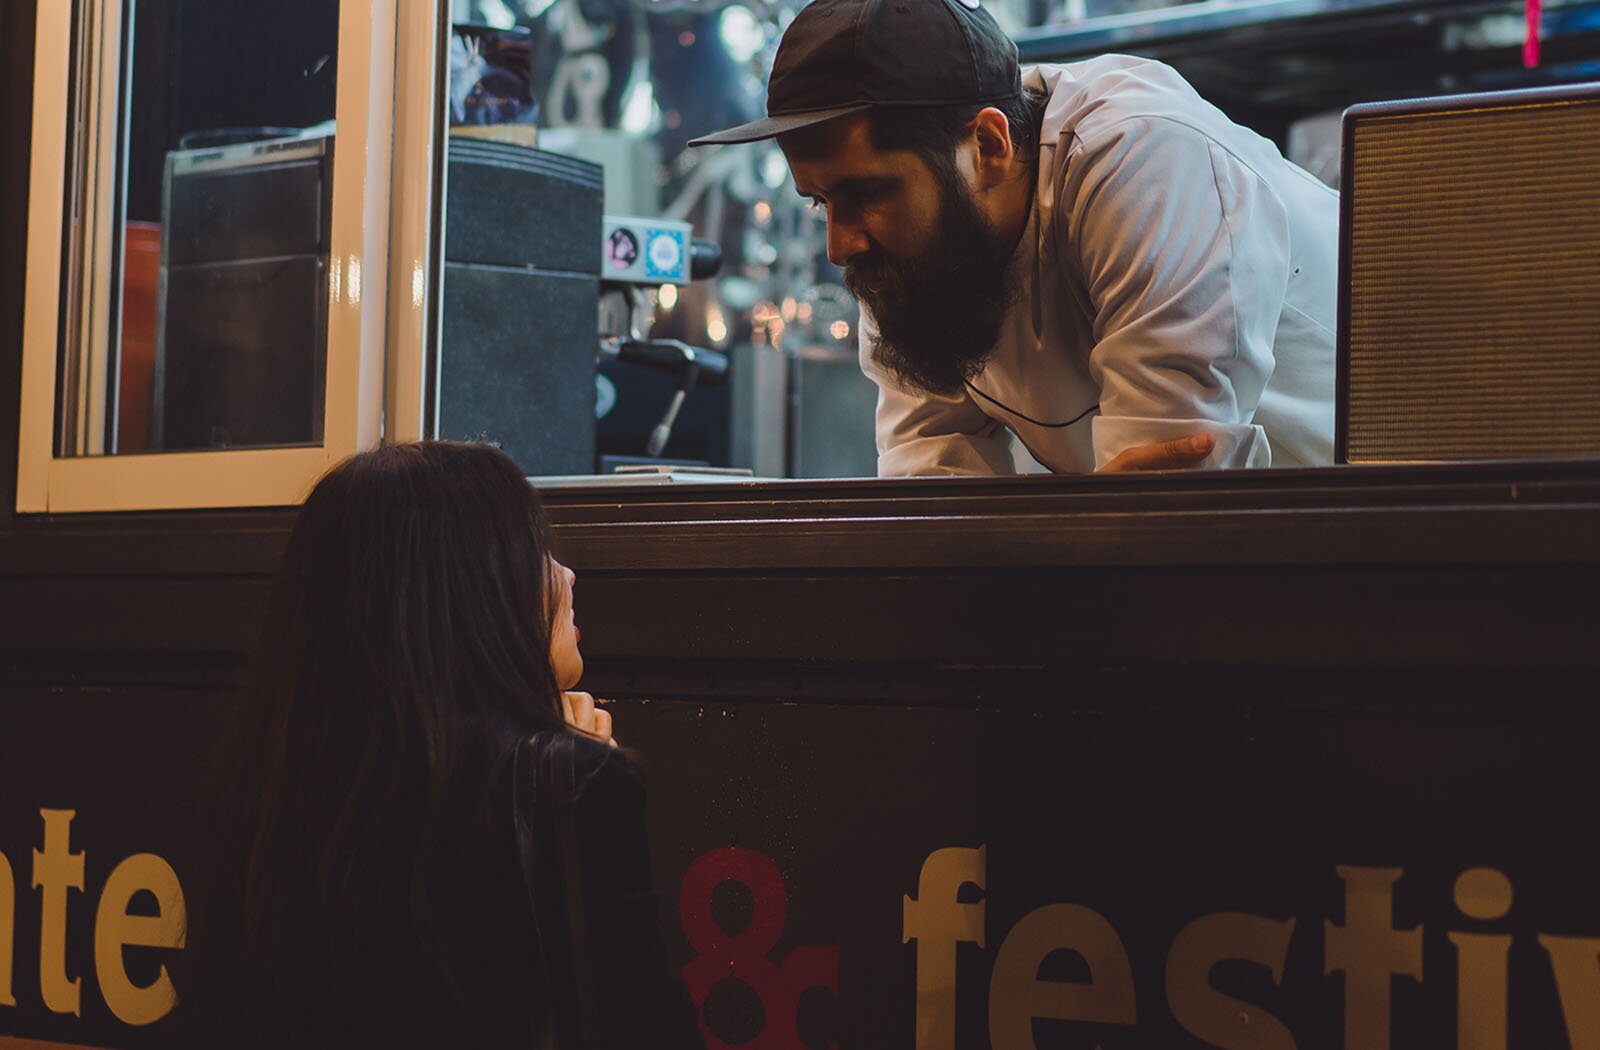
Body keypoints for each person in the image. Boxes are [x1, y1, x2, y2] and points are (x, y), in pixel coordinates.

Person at [173, 442, 704, 1049]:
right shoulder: (567, 787)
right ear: (470, 591)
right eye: (534, 550)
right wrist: (569, 780)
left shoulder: (278, 785)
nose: (566, 574)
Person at [690, 0, 1337, 476]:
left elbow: (1166, 499)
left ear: (989, 146)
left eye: (866, 193)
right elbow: (931, 492)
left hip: (1383, 529)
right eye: (821, 201)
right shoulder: (914, 256)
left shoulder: (1145, 158)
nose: (840, 244)